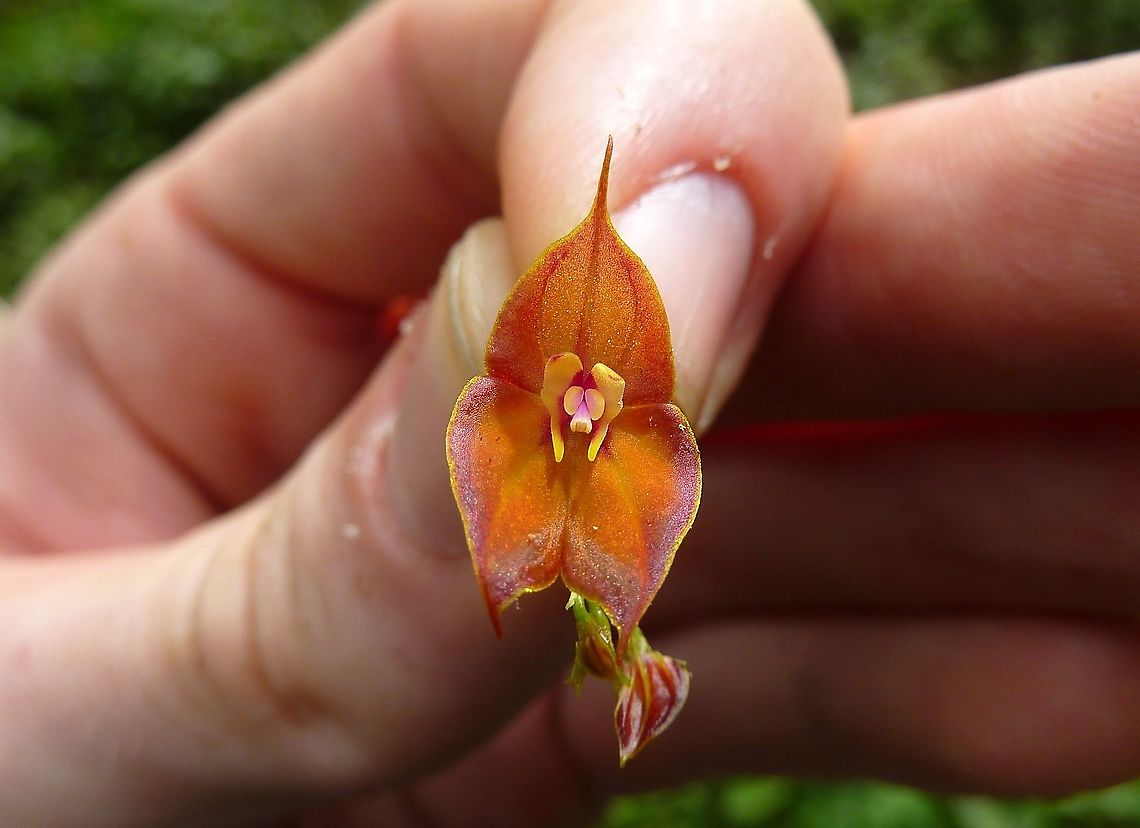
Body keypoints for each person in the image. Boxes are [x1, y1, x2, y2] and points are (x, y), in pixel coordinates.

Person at [0, 0, 1137, 824]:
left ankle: (619, 644)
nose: (586, 398)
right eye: (574, 385)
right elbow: (497, 530)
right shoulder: (508, 402)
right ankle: (613, 644)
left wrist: (609, 597)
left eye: (598, 388)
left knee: (612, 601)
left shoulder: (625, 415)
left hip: (599, 522)